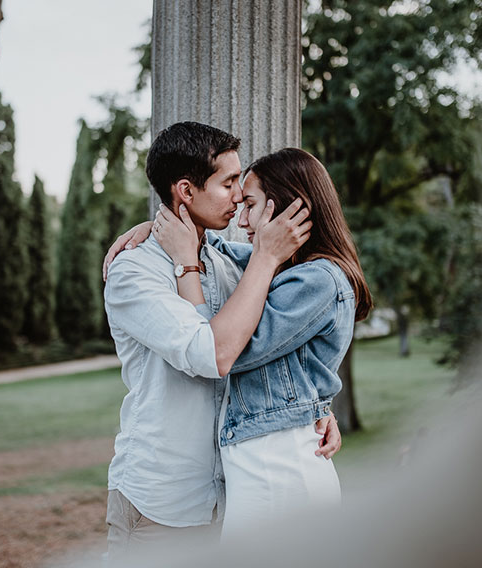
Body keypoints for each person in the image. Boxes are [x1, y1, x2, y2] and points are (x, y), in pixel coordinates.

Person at [101, 122, 340, 556]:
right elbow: (210, 355)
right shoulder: (133, 272)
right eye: (229, 183)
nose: (239, 197)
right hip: (163, 506)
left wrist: (316, 406)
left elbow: (298, 326)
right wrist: (262, 255)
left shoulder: (229, 263)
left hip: (235, 500)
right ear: (186, 192)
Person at [133, 147, 371, 536]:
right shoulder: (286, 268)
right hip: (264, 468)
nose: (240, 219)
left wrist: (185, 265)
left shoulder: (317, 280)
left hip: (281, 472)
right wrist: (153, 229)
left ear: (290, 209)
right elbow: (216, 247)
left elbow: (222, 350)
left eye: (250, 204)